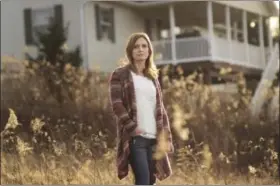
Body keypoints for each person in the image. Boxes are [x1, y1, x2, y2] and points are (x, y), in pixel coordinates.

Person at [108, 32, 174, 185]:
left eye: (144, 46)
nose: (140, 49)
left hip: (154, 139)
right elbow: (117, 105)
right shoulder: (120, 74)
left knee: (151, 181)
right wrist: (132, 128)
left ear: (149, 50)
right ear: (130, 51)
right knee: (143, 180)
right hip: (136, 138)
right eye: (136, 46)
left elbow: (161, 110)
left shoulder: (153, 77)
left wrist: (166, 138)